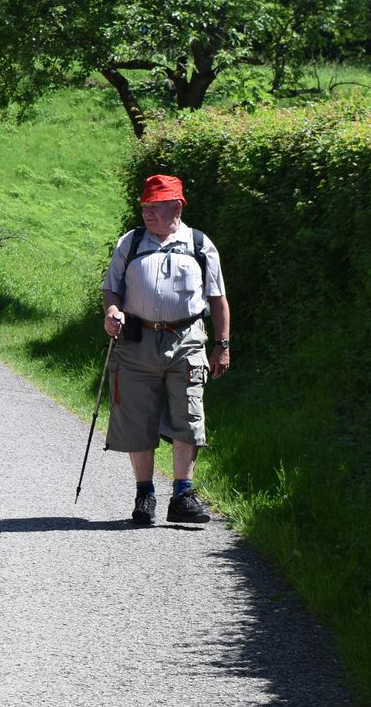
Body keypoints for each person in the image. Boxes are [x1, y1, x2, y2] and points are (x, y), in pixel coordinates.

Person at [101, 174, 231, 527]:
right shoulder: (130, 243)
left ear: (177, 206)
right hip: (137, 342)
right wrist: (112, 312)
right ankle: (144, 495)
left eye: (155, 207)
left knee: (188, 416)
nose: (147, 213)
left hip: (186, 340)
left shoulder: (201, 245)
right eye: (144, 206)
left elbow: (218, 299)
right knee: (136, 419)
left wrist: (222, 346)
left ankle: (182, 495)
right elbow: (111, 290)